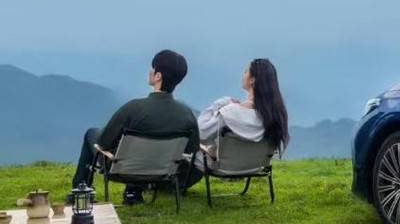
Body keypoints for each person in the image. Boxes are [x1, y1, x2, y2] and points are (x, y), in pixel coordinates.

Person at [72, 50, 200, 205]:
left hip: (124, 171)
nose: (150, 71)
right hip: (163, 170)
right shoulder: (187, 114)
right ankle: (133, 192)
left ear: (158, 76)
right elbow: (191, 149)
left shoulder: (133, 109)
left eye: (153, 68)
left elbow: (104, 143)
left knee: (92, 133)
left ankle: (80, 191)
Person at [188, 58, 289, 183]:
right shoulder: (275, 115)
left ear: (252, 80)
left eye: (246, 71)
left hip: (223, 168)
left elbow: (201, 133)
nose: (243, 75)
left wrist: (219, 104)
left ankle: (173, 185)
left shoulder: (230, 112)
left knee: (185, 143)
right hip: (256, 167)